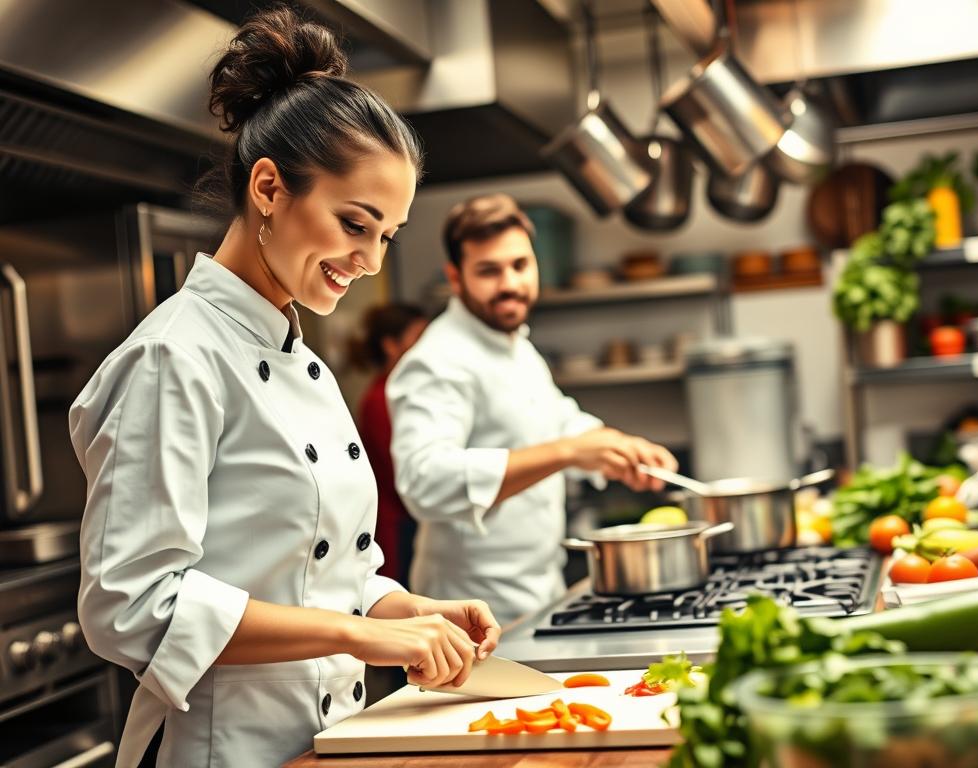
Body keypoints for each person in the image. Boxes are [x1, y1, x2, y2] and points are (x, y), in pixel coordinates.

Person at [68, 10, 499, 767]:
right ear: (269, 187)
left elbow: (325, 569)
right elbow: (133, 608)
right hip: (219, 750)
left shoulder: (300, 354)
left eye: (386, 236)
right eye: (354, 223)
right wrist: (367, 635)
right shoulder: (175, 356)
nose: (368, 260)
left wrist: (407, 608)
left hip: (322, 743)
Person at [387, 193, 679, 625]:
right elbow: (423, 480)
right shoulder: (437, 360)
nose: (509, 284)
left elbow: (556, 421)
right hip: (469, 613)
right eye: (488, 271)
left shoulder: (517, 347)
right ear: (456, 277)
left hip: (540, 593)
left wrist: (618, 448)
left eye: (520, 265)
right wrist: (568, 453)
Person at [349, 303, 428, 585]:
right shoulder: (379, 398)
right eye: (418, 339)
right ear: (391, 345)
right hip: (397, 524)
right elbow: (397, 472)